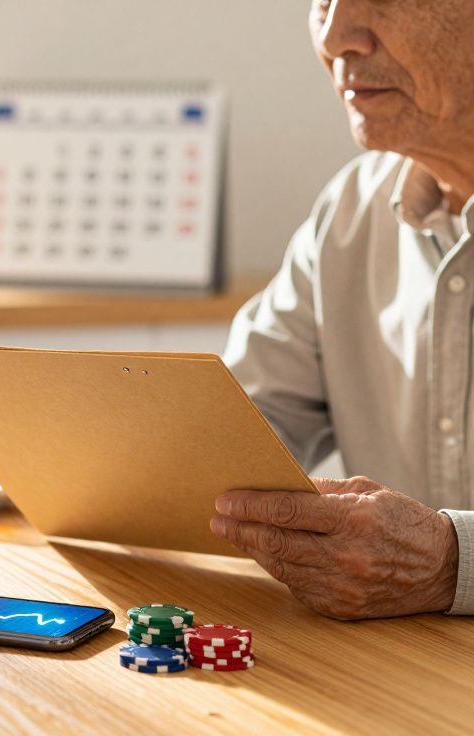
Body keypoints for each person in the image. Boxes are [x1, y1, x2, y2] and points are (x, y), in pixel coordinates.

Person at [210, 0, 474, 619]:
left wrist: (453, 563)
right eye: (323, 0)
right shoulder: (353, 205)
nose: (335, 37)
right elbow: (240, 424)